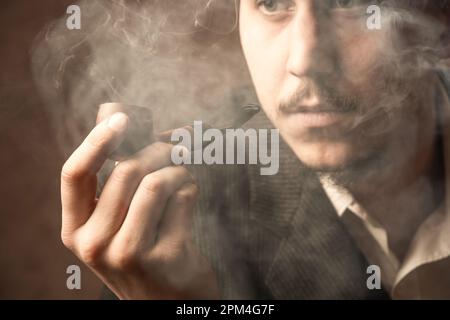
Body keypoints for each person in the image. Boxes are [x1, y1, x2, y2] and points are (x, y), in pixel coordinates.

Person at [59, 0, 450, 299]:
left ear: (439, 21)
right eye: (271, 3)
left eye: (350, 3)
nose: (305, 61)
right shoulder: (185, 216)